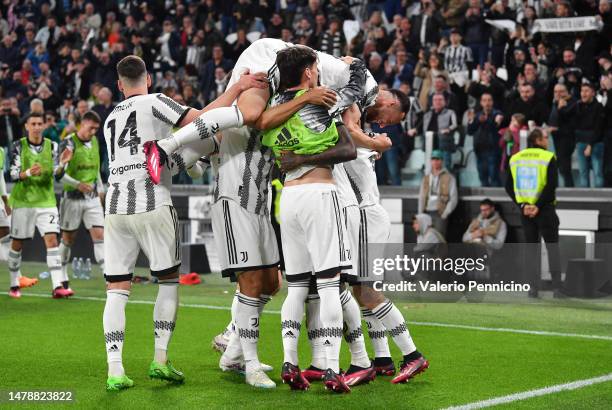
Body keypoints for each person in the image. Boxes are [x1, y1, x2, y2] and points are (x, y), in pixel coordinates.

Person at [101, 55, 267, 391]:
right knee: (167, 281)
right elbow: (203, 120)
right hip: (152, 200)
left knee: (117, 290)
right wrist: (238, 87)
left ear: (119, 85)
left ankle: (115, 369)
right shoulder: (156, 101)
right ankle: (160, 360)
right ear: (147, 78)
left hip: (115, 204)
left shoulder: (108, 119)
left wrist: (185, 158)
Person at [262, 46, 357, 394]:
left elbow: (268, 140)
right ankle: (332, 368)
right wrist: (353, 66)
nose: (318, 73)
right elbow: (347, 150)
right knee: (330, 283)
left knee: (298, 285)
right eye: (315, 67)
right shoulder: (318, 101)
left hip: (289, 199)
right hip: (320, 193)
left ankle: (290, 362)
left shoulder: (274, 107)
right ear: (307, 71)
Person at [7, 112, 71, 299]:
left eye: (39, 123)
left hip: (46, 201)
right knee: (17, 244)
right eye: (33, 123)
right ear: (27, 126)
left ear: (43, 126)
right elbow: (11, 174)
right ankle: (13, 284)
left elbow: (57, 174)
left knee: (52, 241)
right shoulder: (18, 146)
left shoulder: (53, 146)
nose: (36, 127)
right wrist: (27, 172)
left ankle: (57, 285)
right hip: (23, 202)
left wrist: (64, 165)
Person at [505, 129, 561, 298]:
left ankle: (532, 289)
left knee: (531, 249)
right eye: (545, 137)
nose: (547, 140)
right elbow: (551, 187)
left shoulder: (515, 159)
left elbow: (508, 186)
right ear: (537, 140)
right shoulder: (548, 157)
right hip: (544, 209)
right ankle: (557, 289)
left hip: (525, 212)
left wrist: (522, 205)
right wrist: (537, 205)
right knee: (552, 248)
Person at [57, 111, 105, 289]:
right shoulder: (69, 143)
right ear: (82, 124)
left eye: (96, 129)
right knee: (68, 239)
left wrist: (100, 188)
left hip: (91, 197)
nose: (93, 132)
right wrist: (78, 184)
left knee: (100, 236)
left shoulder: (94, 141)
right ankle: (61, 278)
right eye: (91, 127)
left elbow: (97, 168)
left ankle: (109, 279)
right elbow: (58, 175)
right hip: (72, 198)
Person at [417, 150, 458, 237]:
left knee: (438, 239)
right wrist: (420, 214)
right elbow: (421, 197)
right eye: (433, 159)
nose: (435, 162)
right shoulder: (426, 178)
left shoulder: (449, 177)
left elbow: (454, 198)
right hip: (426, 212)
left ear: (442, 161)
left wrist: (445, 213)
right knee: (424, 239)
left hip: (439, 212)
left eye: (437, 159)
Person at [571, 83, 604, 188]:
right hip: (581, 142)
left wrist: (590, 145)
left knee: (597, 172)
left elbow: (598, 128)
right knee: (583, 173)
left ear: (593, 93)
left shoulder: (598, 107)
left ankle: (600, 200)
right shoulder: (578, 106)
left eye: (586, 91)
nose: (583, 94)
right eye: (582, 91)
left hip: (596, 144)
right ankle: (583, 201)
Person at [467, 93, 504, 187]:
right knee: (482, 176)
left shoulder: (497, 114)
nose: (487, 103)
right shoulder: (477, 115)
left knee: (493, 175)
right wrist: (474, 121)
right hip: (479, 149)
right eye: (484, 100)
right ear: (481, 102)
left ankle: (496, 199)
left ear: (492, 102)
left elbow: (495, 126)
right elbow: (470, 131)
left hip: (493, 149)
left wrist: (486, 121)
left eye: (489, 100)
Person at [548, 83, 577, 187]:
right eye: (555, 91)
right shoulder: (555, 103)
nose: (558, 94)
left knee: (565, 167)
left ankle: (570, 190)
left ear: (567, 92)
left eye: (561, 91)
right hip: (556, 138)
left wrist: (560, 108)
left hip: (567, 138)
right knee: (561, 167)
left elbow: (567, 118)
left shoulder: (572, 103)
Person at [423, 93, 457, 171]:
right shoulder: (427, 114)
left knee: (445, 168)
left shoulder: (450, 112)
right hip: (429, 143)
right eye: (435, 100)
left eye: (440, 100)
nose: (437, 102)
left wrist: (448, 129)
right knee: (429, 168)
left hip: (444, 143)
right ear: (432, 102)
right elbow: (423, 128)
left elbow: (454, 125)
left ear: (445, 102)